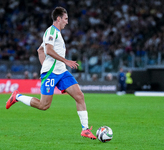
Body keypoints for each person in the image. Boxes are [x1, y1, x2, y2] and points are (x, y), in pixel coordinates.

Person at [6, 7, 96, 140]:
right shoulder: (51, 31)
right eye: (65, 19)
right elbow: (48, 50)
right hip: (52, 73)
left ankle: (85, 129)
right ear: (58, 19)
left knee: (79, 96)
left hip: (62, 72)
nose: (67, 22)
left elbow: (40, 50)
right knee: (44, 105)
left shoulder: (56, 33)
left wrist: (47, 65)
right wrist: (60, 63)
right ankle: (17, 96)